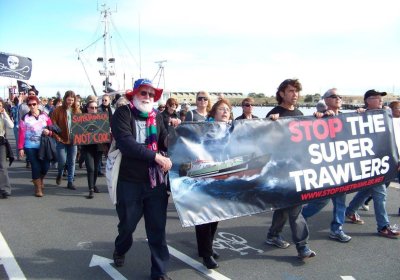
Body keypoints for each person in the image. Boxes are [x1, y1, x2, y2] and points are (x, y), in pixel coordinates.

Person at [111, 78, 172, 280]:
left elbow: (164, 139)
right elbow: (126, 143)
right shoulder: (123, 113)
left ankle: (160, 273)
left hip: (155, 183)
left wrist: (178, 136)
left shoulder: (159, 117)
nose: (147, 97)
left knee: (157, 229)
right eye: (143, 93)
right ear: (134, 95)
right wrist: (155, 156)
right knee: (127, 225)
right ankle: (120, 248)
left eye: (151, 94)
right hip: (129, 182)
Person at [265, 78, 316, 259]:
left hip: (298, 167)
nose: (295, 95)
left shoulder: (300, 113)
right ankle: (302, 246)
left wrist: (319, 119)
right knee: (294, 209)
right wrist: (270, 124)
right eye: (291, 91)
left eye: (297, 91)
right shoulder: (274, 114)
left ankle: (272, 235)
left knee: (286, 207)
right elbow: (262, 140)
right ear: (282, 94)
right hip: (281, 170)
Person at [345, 89, 400, 238]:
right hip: (369, 163)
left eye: (381, 98)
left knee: (369, 190)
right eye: (376, 98)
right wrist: (361, 113)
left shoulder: (386, 114)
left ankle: (350, 211)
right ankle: (383, 226)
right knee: (380, 192)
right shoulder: (361, 115)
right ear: (367, 100)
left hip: (383, 161)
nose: (381, 100)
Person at [301, 88, 351, 242]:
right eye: (334, 96)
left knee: (340, 200)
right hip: (325, 167)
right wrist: (320, 118)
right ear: (326, 100)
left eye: (340, 96)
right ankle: (300, 216)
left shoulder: (347, 117)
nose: (338, 98)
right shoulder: (320, 118)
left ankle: (337, 229)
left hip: (341, 167)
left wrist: (363, 113)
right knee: (321, 200)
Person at [194, 98, 233, 270]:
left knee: (216, 215)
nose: (225, 112)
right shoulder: (204, 129)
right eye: (221, 109)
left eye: (228, 110)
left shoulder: (232, 130)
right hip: (205, 176)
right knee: (204, 216)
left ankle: (207, 246)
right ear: (214, 113)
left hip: (223, 177)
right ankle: (206, 253)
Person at [18, 95, 53, 197]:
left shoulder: (45, 116)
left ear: (38, 105)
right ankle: (37, 188)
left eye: (34, 104)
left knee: (46, 165)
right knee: (35, 165)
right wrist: (21, 147)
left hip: (44, 145)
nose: (32, 106)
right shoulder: (25, 118)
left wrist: (49, 132)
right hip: (30, 146)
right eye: (30, 105)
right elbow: (21, 133)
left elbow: (52, 129)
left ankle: (40, 179)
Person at [51, 90, 82, 190]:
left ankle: (70, 181)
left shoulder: (77, 111)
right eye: (69, 99)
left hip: (73, 140)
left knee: (72, 161)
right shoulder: (57, 110)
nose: (70, 102)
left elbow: (81, 125)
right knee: (62, 161)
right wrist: (57, 137)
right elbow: (53, 124)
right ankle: (60, 173)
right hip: (61, 140)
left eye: (72, 100)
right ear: (65, 99)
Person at [81, 100, 106, 199]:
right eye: (92, 107)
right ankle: (91, 189)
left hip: (98, 147)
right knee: (90, 168)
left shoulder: (101, 118)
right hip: (87, 147)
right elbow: (78, 132)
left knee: (96, 169)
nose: (94, 109)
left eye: (96, 108)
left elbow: (104, 131)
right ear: (87, 108)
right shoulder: (81, 119)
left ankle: (93, 184)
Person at [0, 99, 14, 198]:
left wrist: (4, 113)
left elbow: (11, 125)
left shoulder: (3, 115)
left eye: (0, 105)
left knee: (2, 166)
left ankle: (5, 189)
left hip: (1, 142)